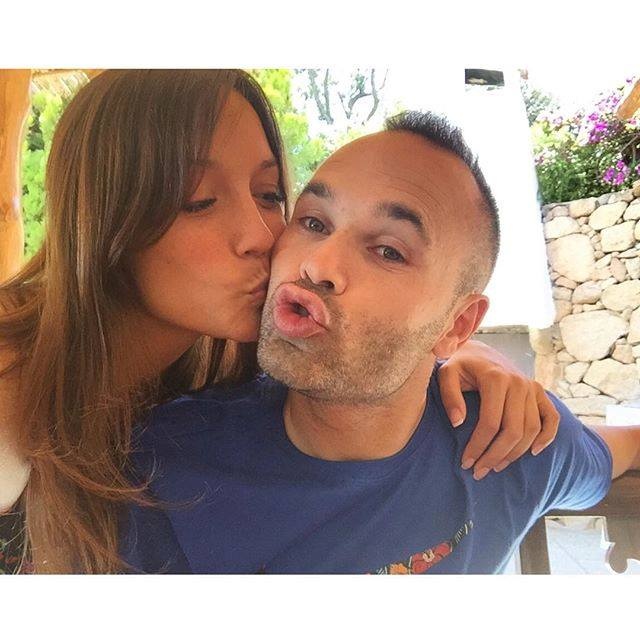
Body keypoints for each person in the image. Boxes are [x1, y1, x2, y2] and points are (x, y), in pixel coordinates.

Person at [0, 69, 556, 575]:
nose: (263, 235)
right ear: (105, 213)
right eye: (200, 200)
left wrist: (448, 348)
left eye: (268, 196)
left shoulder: (221, 366)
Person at [122, 111, 640, 574]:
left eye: (389, 251)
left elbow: (623, 449)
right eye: (313, 222)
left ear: (457, 325)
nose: (317, 264)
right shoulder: (158, 473)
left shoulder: (510, 439)